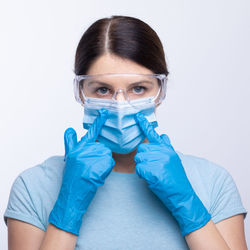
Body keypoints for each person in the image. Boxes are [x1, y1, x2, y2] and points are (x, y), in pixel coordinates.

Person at [4, 15, 248, 250]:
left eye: (139, 88)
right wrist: (68, 208)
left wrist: (188, 206)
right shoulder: (34, 187)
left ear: (160, 93)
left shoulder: (212, 183)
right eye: (102, 90)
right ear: (81, 92)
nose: (120, 105)